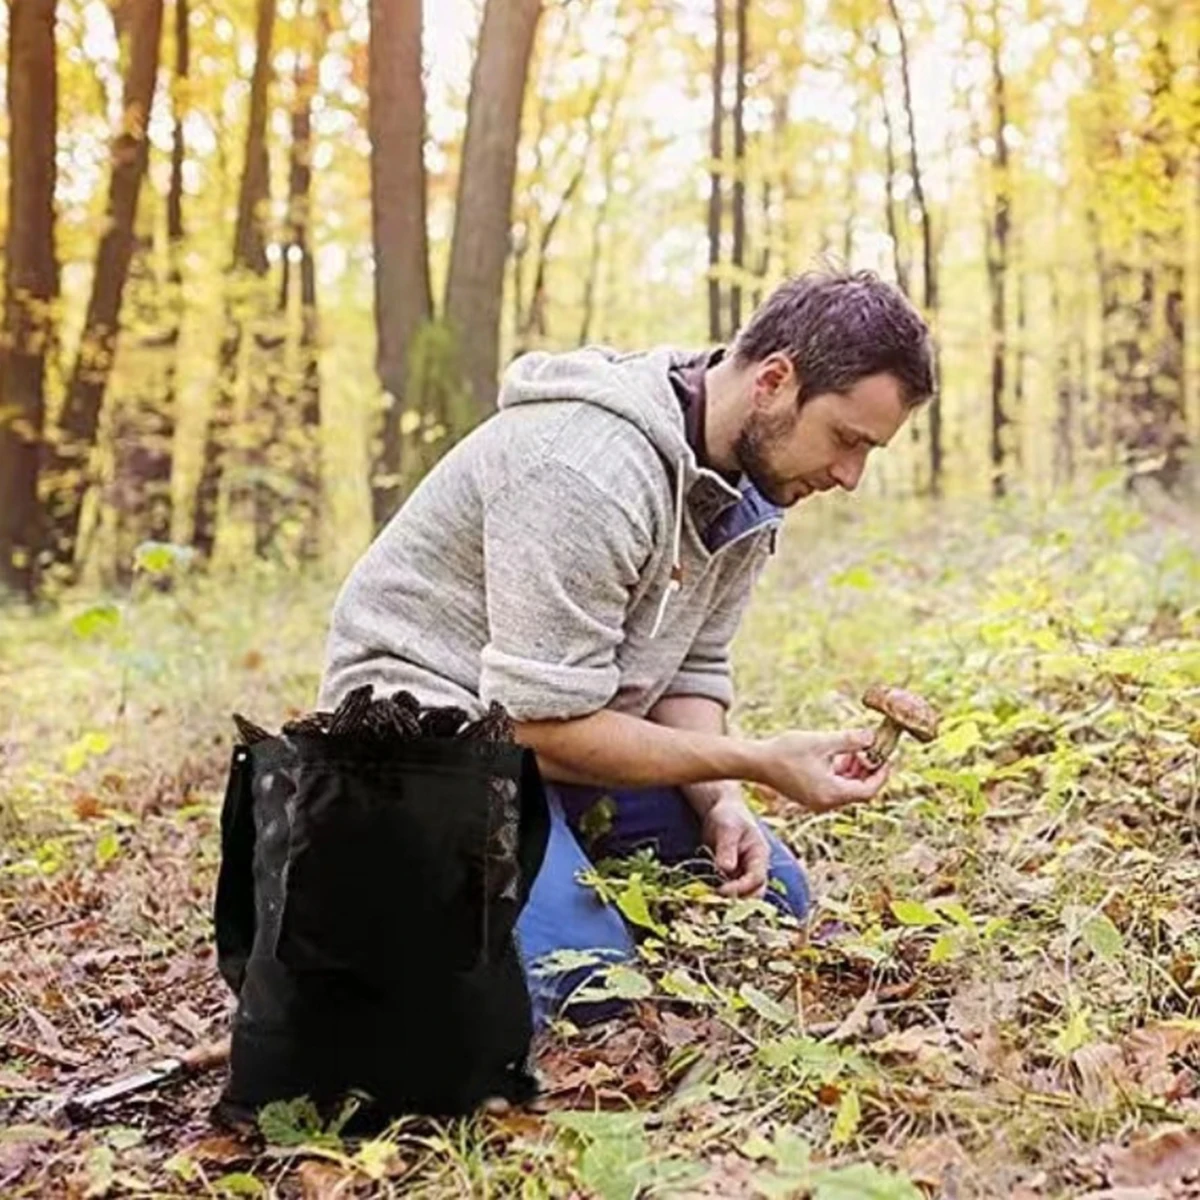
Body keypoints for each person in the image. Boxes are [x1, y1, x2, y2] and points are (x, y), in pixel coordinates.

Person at [318, 269, 936, 1027]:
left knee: (776, 899)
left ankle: (530, 880)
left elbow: (694, 667)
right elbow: (538, 725)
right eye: (845, 440)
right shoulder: (584, 471)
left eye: (868, 451)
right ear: (775, 380)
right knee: (587, 985)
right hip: (424, 744)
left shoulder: (754, 482)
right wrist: (758, 759)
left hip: (556, 745)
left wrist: (724, 802)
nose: (849, 476)